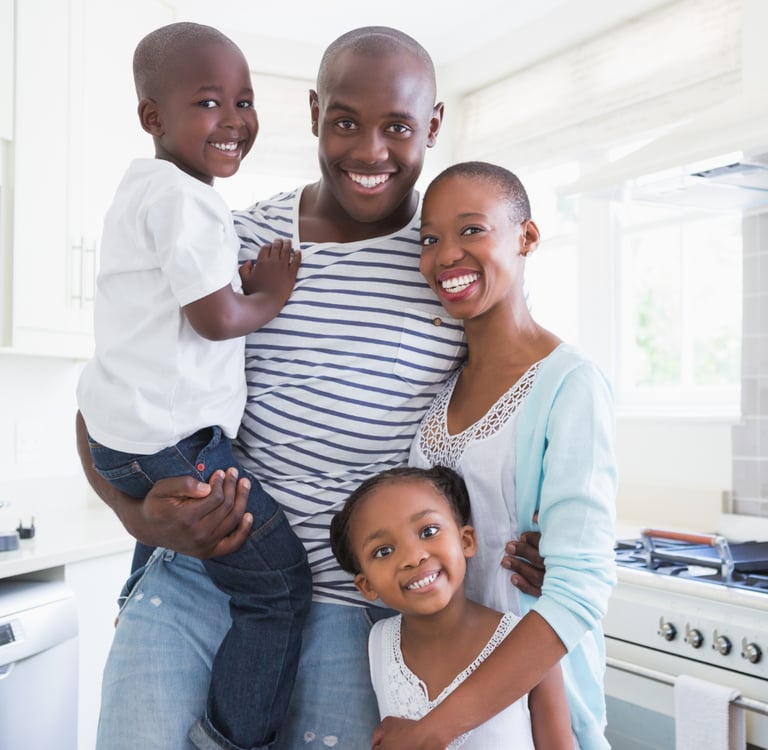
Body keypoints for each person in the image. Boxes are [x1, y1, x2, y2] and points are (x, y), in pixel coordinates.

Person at [75, 25, 472, 750]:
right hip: (195, 581)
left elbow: (507, 413)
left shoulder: (447, 266)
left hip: (356, 610)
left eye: (398, 127)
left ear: (434, 124)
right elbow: (107, 395)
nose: (370, 153)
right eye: (345, 122)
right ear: (314, 112)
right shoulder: (235, 235)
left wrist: (527, 540)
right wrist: (135, 517)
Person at [75, 22, 311, 750]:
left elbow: (182, 303)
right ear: (153, 117)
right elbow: (215, 320)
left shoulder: (141, 191)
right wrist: (268, 293)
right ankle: (230, 739)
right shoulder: (191, 201)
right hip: (176, 446)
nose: (234, 119)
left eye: (244, 100)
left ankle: (137, 592)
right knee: (279, 588)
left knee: (186, 540)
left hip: (124, 443)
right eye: (209, 102)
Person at [376, 160, 617, 749]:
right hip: (434, 690)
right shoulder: (438, 390)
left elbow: (580, 589)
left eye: (471, 230)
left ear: (526, 237)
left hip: (531, 708)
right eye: (430, 239)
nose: (445, 256)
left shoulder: (570, 383)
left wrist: (431, 732)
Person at [329, 465, 573, 749]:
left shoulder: (528, 641)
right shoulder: (378, 643)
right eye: (384, 551)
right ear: (367, 586)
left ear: (466, 541)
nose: (414, 557)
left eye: (428, 531)